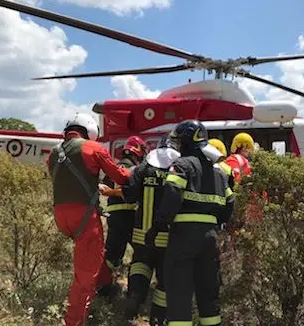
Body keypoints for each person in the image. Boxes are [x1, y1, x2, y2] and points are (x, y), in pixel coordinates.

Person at [146, 120, 235, 326]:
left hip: (183, 237)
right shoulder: (219, 173)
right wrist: (216, 222)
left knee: (179, 293)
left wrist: (159, 225)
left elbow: (172, 194)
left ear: (185, 142)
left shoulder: (182, 166)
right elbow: (230, 202)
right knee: (208, 293)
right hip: (210, 239)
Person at [46, 112, 132, 326]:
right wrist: (139, 173)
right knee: (85, 276)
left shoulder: (54, 153)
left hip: (61, 216)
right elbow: (120, 177)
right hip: (83, 217)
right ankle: (73, 321)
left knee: (94, 257)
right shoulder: (94, 148)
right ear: (90, 131)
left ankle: (105, 289)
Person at [119, 134, 181, 325]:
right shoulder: (179, 170)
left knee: (140, 265)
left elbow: (128, 195)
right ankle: (157, 317)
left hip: (141, 235)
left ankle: (135, 297)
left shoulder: (143, 169)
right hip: (169, 238)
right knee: (165, 278)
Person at [96, 136, 148, 297]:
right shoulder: (134, 169)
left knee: (112, 256)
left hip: (115, 218)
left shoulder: (115, 166)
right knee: (141, 255)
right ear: (138, 151)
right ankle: (135, 293)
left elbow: (105, 186)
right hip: (131, 217)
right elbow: (126, 190)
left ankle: (103, 290)